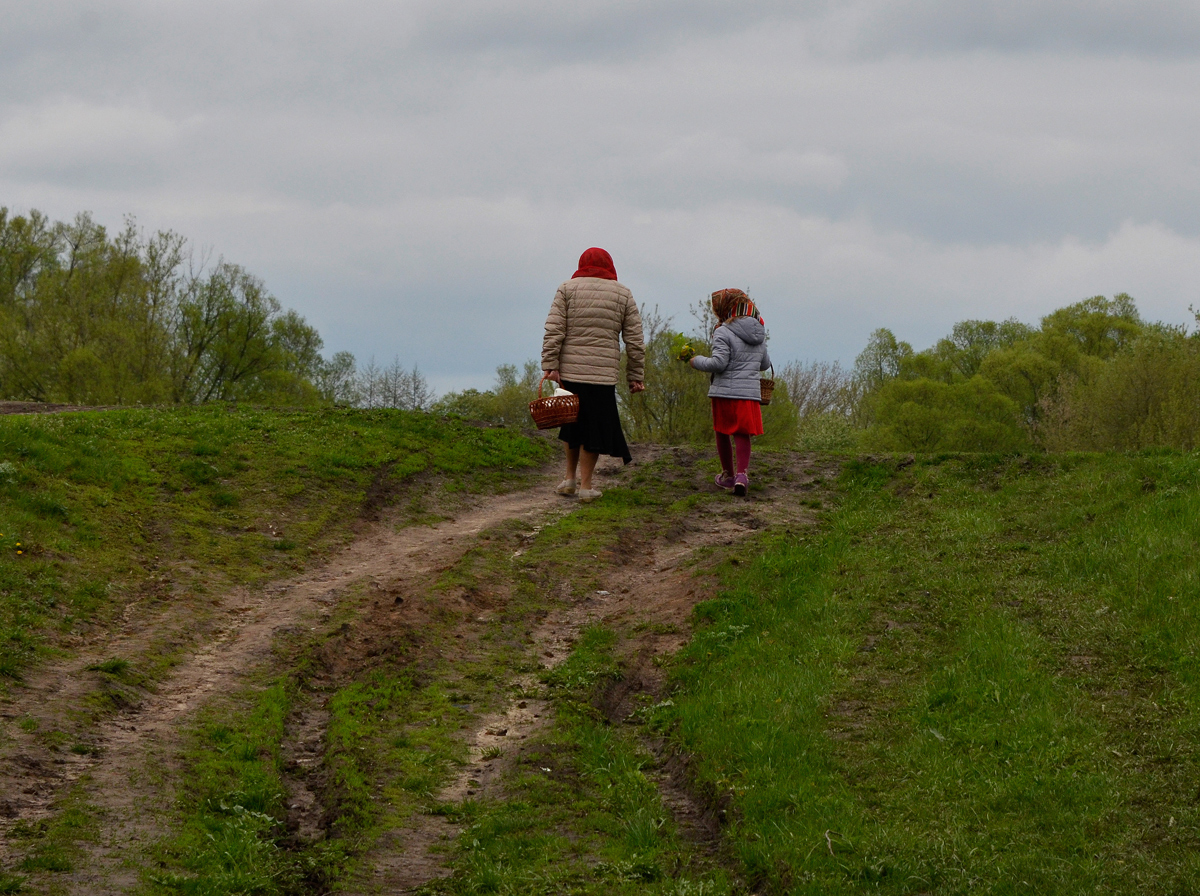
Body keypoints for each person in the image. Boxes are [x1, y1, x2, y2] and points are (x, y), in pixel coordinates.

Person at [542, 247, 645, 503]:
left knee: (571, 423)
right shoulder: (622, 294)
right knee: (594, 428)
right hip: (602, 375)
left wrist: (550, 364)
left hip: (571, 370)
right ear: (610, 266)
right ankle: (587, 486)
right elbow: (634, 340)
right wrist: (635, 375)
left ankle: (569, 479)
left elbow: (554, 329)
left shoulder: (567, 288)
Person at [685, 288, 770, 497]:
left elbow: (719, 363)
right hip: (748, 393)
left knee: (722, 432)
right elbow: (765, 364)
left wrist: (696, 361)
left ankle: (728, 476)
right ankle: (742, 475)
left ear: (725, 307)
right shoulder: (759, 332)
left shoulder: (723, 331)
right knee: (742, 434)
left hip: (725, 392)